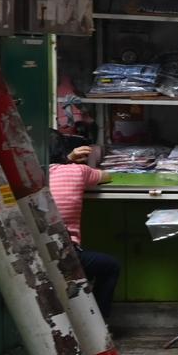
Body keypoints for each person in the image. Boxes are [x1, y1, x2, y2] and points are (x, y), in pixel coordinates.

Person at [48, 135, 121, 319]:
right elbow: (106, 176)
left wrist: (67, 158)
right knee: (111, 266)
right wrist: (70, 161)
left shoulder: (32, 175)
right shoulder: (77, 171)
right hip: (65, 253)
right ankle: (99, 323)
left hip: (36, 252)